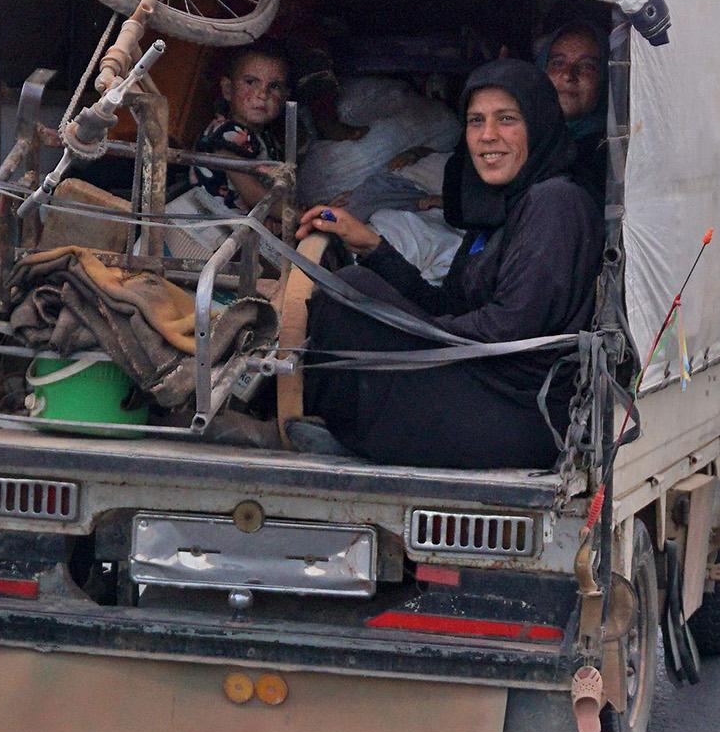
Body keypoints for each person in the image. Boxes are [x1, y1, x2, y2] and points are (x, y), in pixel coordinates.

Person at [292, 59, 604, 469]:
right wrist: (371, 245)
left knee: (354, 307)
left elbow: (508, 329)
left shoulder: (555, 202)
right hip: (482, 382)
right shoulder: (500, 213)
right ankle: (342, 429)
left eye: (506, 119)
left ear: (539, 123)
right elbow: (447, 307)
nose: (488, 136)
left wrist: (402, 331)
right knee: (353, 285)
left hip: (519, 409)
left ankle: (347, 432)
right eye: (476, 121)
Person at [192, 43, 297, 214]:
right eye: (250, 82)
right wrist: (308, 217)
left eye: (275, 86)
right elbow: (255, 196)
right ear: (227, 89)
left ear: (285, 97)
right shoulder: (228, 133)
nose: (262, 94)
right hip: (215, 232)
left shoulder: (267, 138)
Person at [537, 21, 608, 201]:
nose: (569, 75)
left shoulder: (610, 158)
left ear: (605, 80)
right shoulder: (520, 138)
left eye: (587, 66)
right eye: (558, 63)